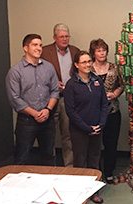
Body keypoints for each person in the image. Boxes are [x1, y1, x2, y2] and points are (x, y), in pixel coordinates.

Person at [5, 34, 59, 165]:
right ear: (25, 48)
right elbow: (15, 98)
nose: (39, 48)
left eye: (40, 45)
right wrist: (35, 114)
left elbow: (55, 90)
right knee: (22, 158)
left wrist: (47, 110)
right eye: (35, 45)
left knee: (48, 157)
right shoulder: (15, 71)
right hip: (27, 122)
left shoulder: (49, 67)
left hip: (47, 119)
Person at [64, 50, 108, 203]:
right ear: (76, 65)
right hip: (80, 130)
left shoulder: (97, 81)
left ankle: (94, 192)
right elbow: (70, 110)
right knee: (80, 161)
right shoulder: (71, 85)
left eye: (89, 61)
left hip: (97, 128)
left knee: (94, 160)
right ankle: (81, 193)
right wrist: (86, 128)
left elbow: (104, 104)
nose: (88, 64)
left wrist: (101, 124)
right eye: (84, 62)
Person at [41, 23, 80, 167]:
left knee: (68, 134)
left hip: (68, 99)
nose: (64, 39)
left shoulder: (75, 51)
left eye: (66, 36)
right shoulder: (45, 52)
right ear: (54, 37)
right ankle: (50, 167)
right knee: (48, 135)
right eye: (61, 36)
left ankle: (69, 166)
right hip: (49, 99)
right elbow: (35, 72)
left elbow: (80, 73)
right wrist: (52, 82)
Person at [89, 38, 124, 183]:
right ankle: (95, 172)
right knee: (94, 145)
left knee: (111, 143)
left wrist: (115, 94)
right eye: (98, 50)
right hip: (93, 112)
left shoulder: (115, 68)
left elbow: (122, 85)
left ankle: (109, 172)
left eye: (104, 50)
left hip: (112, 111)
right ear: (93, 53)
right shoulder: (88, 68)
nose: (102, 53)